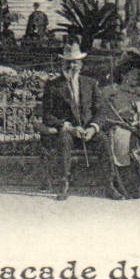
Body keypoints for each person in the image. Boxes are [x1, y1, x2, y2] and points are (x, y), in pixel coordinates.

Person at [95, 55, 140, 199]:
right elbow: (104, 110)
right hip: (119, 126)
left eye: (138, 75)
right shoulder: (111, 91)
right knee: (128, 143)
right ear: (123, 75)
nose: (136, 78)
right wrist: (122, 118)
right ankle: (132, 188)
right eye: (133, 75)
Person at [38, 41, 99, 200]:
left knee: (105, 141)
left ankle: (111, 184)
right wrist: (67, 127)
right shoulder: (53, 86)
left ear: (81, 64)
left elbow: (101, 110)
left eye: (76, 62)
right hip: (67, 131)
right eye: (69, 63)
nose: (73, 66)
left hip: (87, 131)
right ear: (63, 63)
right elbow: (47, 115)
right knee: (64, 141)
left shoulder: (90, 83)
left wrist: (93, 128)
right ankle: (63, 183)